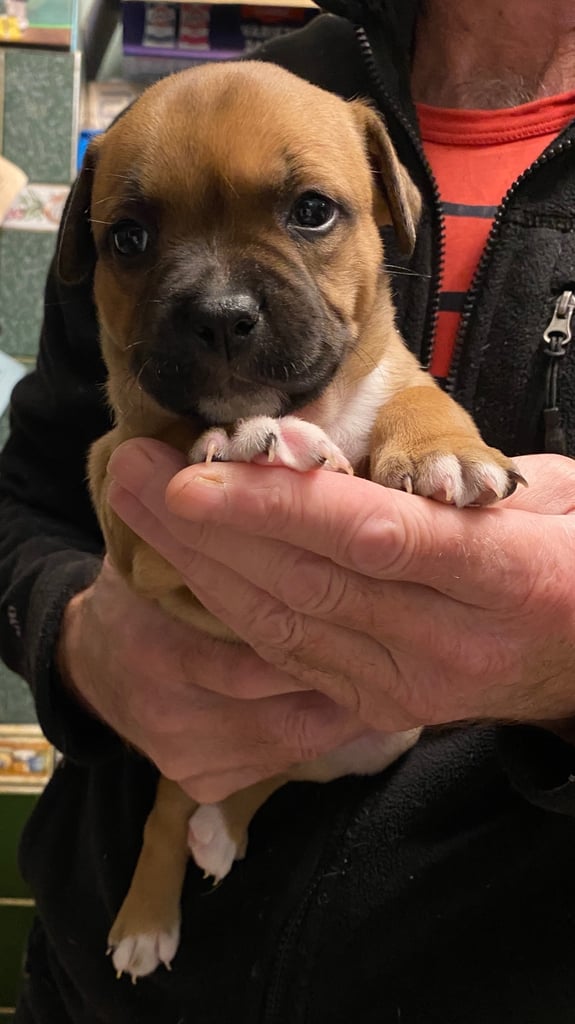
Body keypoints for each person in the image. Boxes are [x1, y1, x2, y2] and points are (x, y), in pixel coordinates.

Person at [1, 0, 575, 1020]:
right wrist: (78, 638)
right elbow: (26, 501)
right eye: (134, 236)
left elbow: (403, 402)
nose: (220, 301)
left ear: (383, 208)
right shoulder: (239, 96)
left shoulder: (334, 145)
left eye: (305, 213)